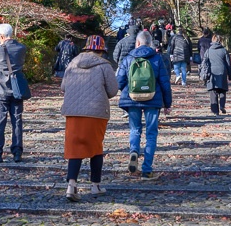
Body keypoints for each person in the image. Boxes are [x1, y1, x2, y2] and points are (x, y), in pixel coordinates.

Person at [61, 35, 119, 202]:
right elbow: (113, 91)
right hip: (95, 112)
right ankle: (95, 184)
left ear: (86, 48)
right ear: (101, 50)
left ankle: (71, 185)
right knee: (95, 147)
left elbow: (63, 86)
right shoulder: (104, 66)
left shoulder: (72, 63)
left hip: (73, 112)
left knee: (75, 148)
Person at [116, 30, 172, 178]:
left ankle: (134, 152)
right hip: (152, 99)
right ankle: (147, 169)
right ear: (150, 43)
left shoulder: (128, 58)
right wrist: (167, 103)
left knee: (135, 130)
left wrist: (127, 91)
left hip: (132, 99)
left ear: (138, 43)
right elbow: (165, 82)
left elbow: (119, 81)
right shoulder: (157, 58)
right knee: (151, 134)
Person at [0, 23, 27, 163]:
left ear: (1, 36)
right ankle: (17, 152)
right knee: (17, 120)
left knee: (0, 120)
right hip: (16, 88)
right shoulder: (21, 48)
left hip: (1, 88)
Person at [201, 33, 231, 115]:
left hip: (212, 72)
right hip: (222, 71)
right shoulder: (224, 50)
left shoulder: (208, 51)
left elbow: (204, 62)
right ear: (220, 41)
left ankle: (215, 111)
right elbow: (228, 64)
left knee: (213, 91)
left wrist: (203, 74)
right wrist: (230, 75)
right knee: (222, 90)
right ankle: (222, 105)